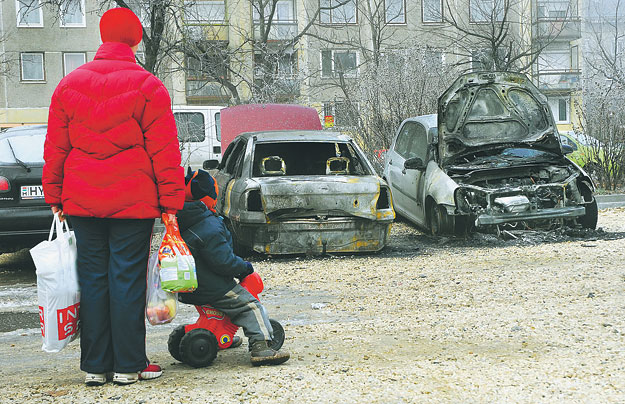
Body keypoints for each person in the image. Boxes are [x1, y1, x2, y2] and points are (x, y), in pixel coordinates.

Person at [42, 8, 185, 386]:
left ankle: (94, 366)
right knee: (127, 280)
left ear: (101, 38)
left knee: (92, 279)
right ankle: (128, 365)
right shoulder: (149, 87)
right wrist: (171, 202)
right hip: (133, 202)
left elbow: (56, 147)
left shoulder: (69, 85)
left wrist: (54, 194)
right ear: (136, 39)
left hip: (82, 202)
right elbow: (165, 150)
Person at [176, 169, 290, 366]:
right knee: (249, 306)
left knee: (225, 306)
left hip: (190, 285)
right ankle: (261, 346)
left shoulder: (180, 219)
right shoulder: (208, 226)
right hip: (211, 286)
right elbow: (222, 261)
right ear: (208, 198)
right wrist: (244, 268)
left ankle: (218, 334)